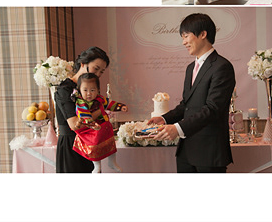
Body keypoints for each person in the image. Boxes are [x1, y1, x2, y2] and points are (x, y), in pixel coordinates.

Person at [148, 13, 235, 173]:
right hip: (186, 151)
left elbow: (213, 109)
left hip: (209, 153)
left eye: (186, 36)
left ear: (203, 34)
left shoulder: (222, 67)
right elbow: (186, 105)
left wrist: (177, 128)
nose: (184, 42)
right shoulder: (190, 68)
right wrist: (164, 119)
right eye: (182, 37)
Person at [54, 46, 109, 173]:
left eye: (101, 72)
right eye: (96, 69)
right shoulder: (65, 89)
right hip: (71, 146)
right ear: (83, 64)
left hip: (88, 144)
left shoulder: (90, 88)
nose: (98, 75)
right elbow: (74, 125)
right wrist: (102, 109)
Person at [69, 73, 127, 173]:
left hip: (100, 125)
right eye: (85, 90)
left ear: (98, 90)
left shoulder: (100, 99)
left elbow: (109, 103)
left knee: (109, 133)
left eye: (92, 90)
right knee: (95, 142)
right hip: (87, 127)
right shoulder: (80, 102)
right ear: (79, 90)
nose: (89, 93)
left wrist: (120, 107)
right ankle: (97, 165)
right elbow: (85, 116)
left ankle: (112, 161)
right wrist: (92, 124)